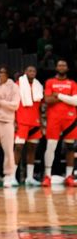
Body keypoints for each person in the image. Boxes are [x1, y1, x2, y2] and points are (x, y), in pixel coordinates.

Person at [42, 59, 77, 187]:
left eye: (64, 65)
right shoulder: (50, 82)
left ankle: (69, 176)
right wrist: (67, 98)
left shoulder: (72, 83)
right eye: (59, 65)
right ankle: (47, 176)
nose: (61, 67)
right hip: (53, 119)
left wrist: (59, 96)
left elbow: (76, 102)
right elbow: (47, 100)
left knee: (70, 148)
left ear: (67, 68)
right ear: (56, 68)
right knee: (51, 146)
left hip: (70, 119)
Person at [14, 65, 43, 186]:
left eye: (34, 70)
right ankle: (11, 177)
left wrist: (41, 121)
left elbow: (41, 106)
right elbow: (14, 103)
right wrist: (14, 120)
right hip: (21, 121)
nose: (32, 72)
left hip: (35, 121)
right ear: (25, 72)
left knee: (32, 149)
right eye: (29, 70)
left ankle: (29, 178)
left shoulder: (39, 85)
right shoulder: (17, 84)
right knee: (18, 148)